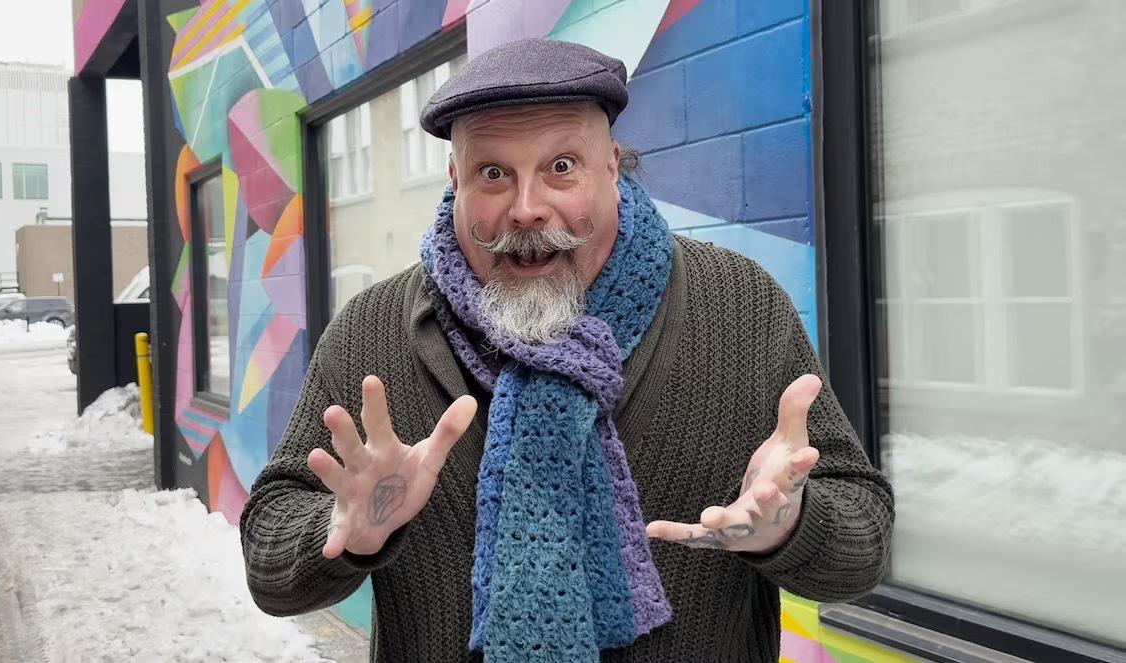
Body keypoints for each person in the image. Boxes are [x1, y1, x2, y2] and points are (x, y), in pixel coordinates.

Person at [240, 38, 893, 662]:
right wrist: (347, 529)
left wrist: (790, 525)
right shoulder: (370, 331)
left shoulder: (739, 305)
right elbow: (271, 566)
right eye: (493, 173)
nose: (527, 208)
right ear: (455, 179)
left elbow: (865, 547)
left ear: (611, 165)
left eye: (561, 167)